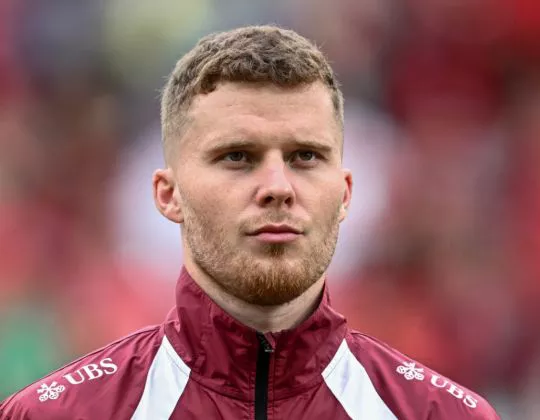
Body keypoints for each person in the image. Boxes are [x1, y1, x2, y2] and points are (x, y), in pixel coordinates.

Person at [0, 25, 500, 419]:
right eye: (238, 156)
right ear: (168, 194)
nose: (278, 186)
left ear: (345, 193)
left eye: (305, 156)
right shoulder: (59, 415)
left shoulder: (442, 415)